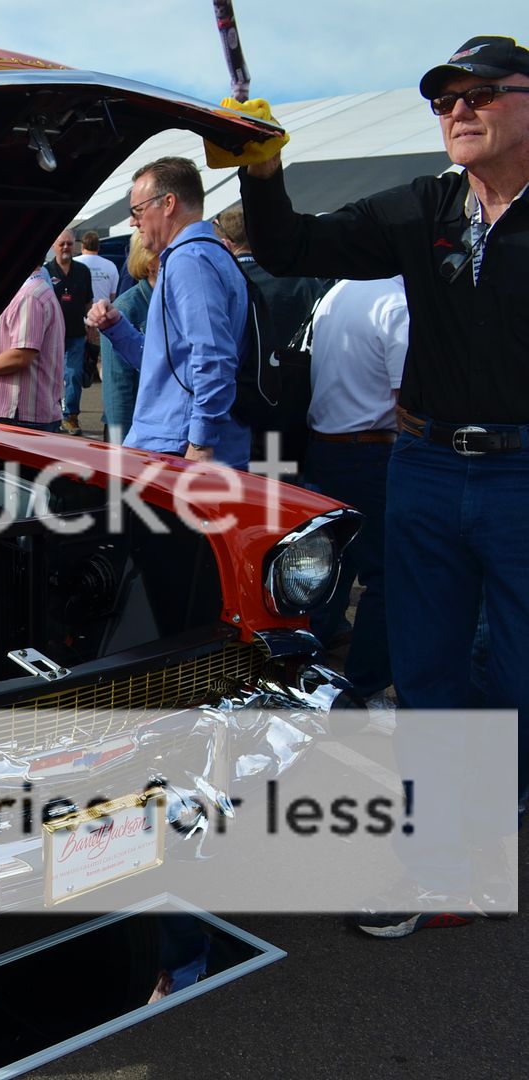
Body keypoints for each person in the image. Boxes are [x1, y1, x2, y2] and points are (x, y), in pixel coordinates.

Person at [235, 35, 529, 936]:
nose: (457, 111)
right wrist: (259, 165)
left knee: (517, 675)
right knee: (426, 671)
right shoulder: (421, 206)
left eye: (478, 94)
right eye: (442, 100)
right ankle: (437, 867)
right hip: (427, 471)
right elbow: (288, 245)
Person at [88, 157, 250, 468]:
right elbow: (168, 363)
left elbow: (214, 356)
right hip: (179, 442)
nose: (134, 222)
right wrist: (117, 326)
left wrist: (201, 442)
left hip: (179, 446)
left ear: (168, 203)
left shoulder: (190, 259)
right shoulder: (204, 253)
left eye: (137, 211)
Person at [303, 276, 407, 713]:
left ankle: (321, 650)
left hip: (324, 445)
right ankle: (365, 684)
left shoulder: (337, 291)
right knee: (387, 574)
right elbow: (407, 402)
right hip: (370, 449)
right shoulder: (397, 301)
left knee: (334, 564)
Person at [213, 202, 327, 354]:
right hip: (314, 362)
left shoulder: (224, 292)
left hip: (267, 374)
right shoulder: (296, 273)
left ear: (225, 245)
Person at [0, 265, 66, 432]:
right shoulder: (36, 292)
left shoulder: (29, 297)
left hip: (22, 413)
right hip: (27, 411)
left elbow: (21, 356)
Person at [105, 234, 156, 442]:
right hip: (137, 437)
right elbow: (117, 388)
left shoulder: (176, 299)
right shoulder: (126, 307)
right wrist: (122, 453)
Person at [44, 229, 94, 435]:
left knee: (73, 375)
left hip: (76, 334)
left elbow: (89, 302)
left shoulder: (83, 271)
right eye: (61, 243)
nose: (65, 247)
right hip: (51, 336)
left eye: (69, 244)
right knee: (51, 376)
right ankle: (52, 414)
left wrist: (90, 327)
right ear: (54, 246)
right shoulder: (47, 271)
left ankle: (70, 416)